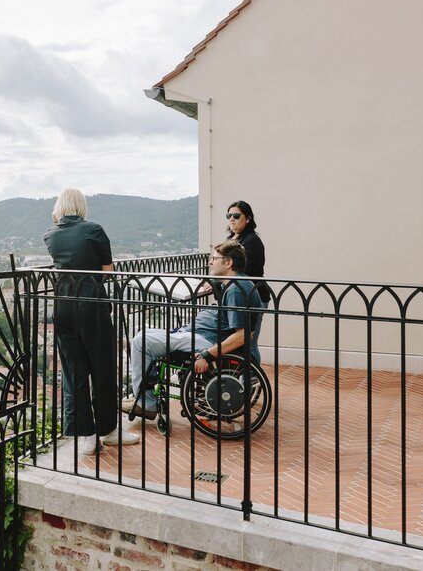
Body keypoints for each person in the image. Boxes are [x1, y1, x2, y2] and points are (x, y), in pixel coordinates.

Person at [44, 188, 139, 454]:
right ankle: (108, 430)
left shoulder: (50, 235)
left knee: (74, 372)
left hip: (62, 307)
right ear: (81, 205)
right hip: (92, 306)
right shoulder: (94, 230)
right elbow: (108, 272)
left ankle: (85, 435)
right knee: (102, 368)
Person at [127, 240, 263, 419]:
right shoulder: (237, 282)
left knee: (140, 341)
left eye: (214, 258)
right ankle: (143, 396)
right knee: (145, 335)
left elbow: (242, 336)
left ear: (228, 262)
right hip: (202, 335)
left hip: (207, 340)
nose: (209, 262)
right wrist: (215, 283)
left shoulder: (236, 291)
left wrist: (208, 355)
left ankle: (146, 403)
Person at [225, 200, 271, 306]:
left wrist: (220, 280)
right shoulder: (230, 239)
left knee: (248, 323)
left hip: (253, 295)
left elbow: (248, 270)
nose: (231, 219)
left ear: (248, 218)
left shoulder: (252, 240)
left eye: (236, 215)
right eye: (229, 215)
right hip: (237, 292)